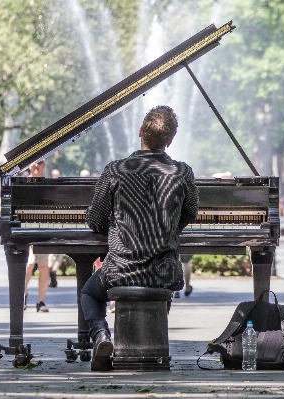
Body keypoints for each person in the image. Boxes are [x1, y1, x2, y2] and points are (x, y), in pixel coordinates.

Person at [81, 105, 199, 371]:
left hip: (121, 270)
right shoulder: (183, 172)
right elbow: (191, 212)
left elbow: (94, 220)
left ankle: (101, 335)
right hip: (164, 270)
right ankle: (151, 343)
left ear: (140, 132)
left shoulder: (115, 170)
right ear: (170, 141)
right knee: (164, 286)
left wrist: (114, 227)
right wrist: (168, 231)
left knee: (89, 292)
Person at [24, 159, 53, 312]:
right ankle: (23, 293)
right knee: (28, 265)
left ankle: (40, 301)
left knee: (44, 267)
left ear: (44, 165)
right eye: (33, 163)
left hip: (44, 231)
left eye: (39, 163)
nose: (36, 166)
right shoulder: (23, 184)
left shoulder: (48, 184)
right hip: (27, 231)